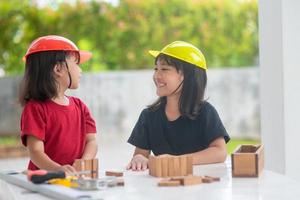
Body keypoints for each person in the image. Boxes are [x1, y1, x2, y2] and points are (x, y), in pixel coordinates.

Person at [127, 41, 230, 171]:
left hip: (202, 186)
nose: (156, 76)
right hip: (163, 188)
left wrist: (177, 161)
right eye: (156, 69)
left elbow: (219, 152)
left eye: (164, 69)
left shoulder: (205, 112)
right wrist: (139, 158)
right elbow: (141, 155)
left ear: (187, 76)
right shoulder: (148, 116)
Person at [19, 35, 98, 175]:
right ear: (58, 69)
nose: (81, 71)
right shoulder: (35, 108)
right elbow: (36, 151)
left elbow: (91, 141)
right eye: (77, 64)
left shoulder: (80, 106)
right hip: (44, 182)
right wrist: (58, 170)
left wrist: (83, 163)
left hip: (73, 179)